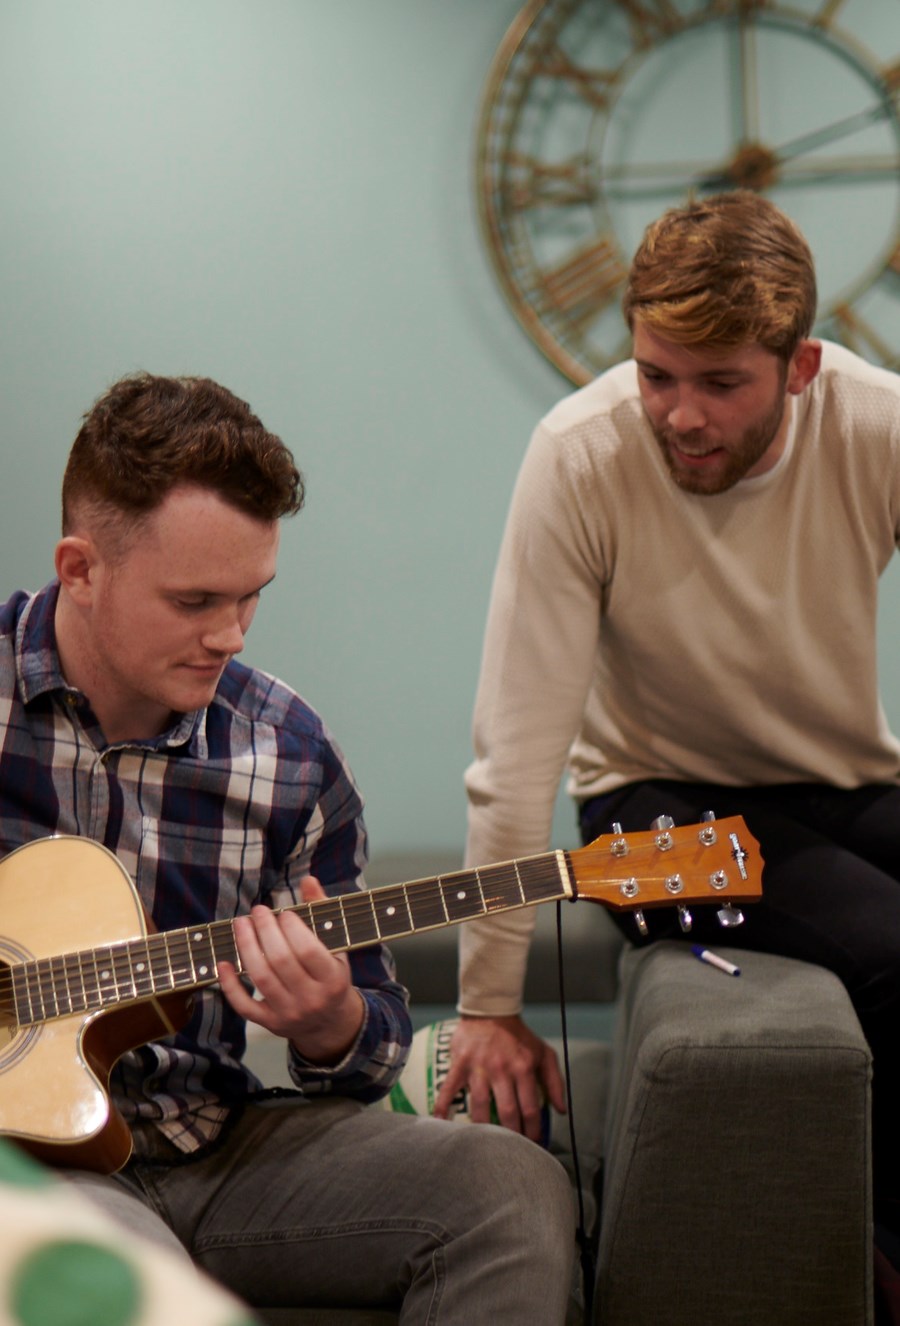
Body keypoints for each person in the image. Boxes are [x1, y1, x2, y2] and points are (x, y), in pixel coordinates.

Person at [0, 372, 575, 1323]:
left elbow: (375, 1044)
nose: (228, 635)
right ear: (80, 569)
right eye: (193, 601)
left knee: (507, 1188)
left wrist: (330, 1022)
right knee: (129, 1288)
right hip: (32, 1166)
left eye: (250, 597)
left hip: (225, 1146)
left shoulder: (289, 751)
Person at [437, 191, 900, 1244]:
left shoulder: (880, 426)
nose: (681, 415)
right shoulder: (581, 453)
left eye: (721, 383)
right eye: (656, 375)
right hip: (648, 806)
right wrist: (488, 1004)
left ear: (801, 368)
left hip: (845, 780)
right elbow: (514, 757)